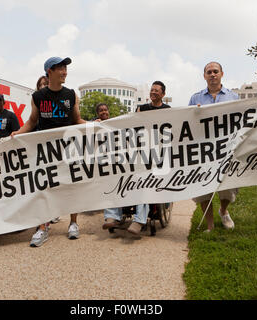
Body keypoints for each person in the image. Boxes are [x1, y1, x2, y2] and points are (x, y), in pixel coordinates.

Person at [11, 56, 87, 247]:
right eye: (60, 68)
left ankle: (73, 224)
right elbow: (32, 121)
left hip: (69, 147)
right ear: (49, 72)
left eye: (66, 68)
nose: (65, 72)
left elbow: (77, 120)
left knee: (72, 185)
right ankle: (42, 227)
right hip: (45, 150)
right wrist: (17, 133)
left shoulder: (71, 95)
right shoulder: (38, 97)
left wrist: (97, 124)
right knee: (42, 187)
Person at [102, 81, 171, 236]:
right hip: (139, 151)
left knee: (144, 181)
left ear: (163, 94)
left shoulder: (168, 111)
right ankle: (112, 215)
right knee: (118, 177)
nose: (153, 92)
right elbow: (132, 126)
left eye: (156, 90)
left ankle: (139, 219)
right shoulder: (142, 108)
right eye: (152, 90)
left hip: (157, 155)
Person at [188, 61, 239, 232]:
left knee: (227, 186)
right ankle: (209, 225)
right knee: (202, 186)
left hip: (226, 148)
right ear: (204, 76)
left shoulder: (233, 97)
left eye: (215, 71)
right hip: (204, 150)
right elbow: (187, 123)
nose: (212, 74)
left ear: (222, 74)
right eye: (209, 72)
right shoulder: (195, 98)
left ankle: (223, 210)